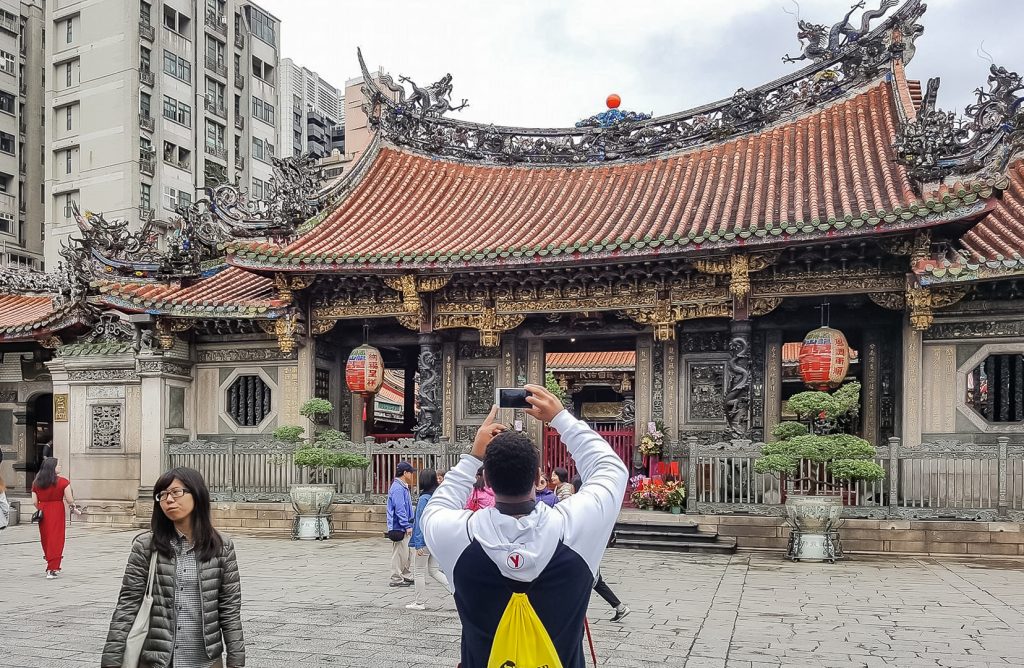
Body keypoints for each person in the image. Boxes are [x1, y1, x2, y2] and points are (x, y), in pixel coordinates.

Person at [422, 384, 628, 668]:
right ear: (537, 478)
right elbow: (612, 469)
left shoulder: (457, 536)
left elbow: (435, 507)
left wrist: (471, 458)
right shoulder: (576, 528)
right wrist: (560, 417)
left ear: (488, 481)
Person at [102, 467, 244, 668]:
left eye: (176, 492)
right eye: (162, 495)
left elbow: (229, 610)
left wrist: (236, 662)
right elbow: (127, 606)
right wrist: (111, 662)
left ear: (197, 494)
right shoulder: (146, 546)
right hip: (158, 660)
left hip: (205, 661)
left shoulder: (222, 547)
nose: (169, 500)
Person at [572, 466, 631, 622]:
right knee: (595, 581)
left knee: (593, 580)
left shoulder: (582, 506)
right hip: (590, 548)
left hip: (586, 550)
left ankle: (618, 607)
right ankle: (619, 607)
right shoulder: (596, 503)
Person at [406, 469, 450, 611]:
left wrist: (418, 544)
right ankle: (456, 591)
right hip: (435, 539)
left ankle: (419, 602)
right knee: (434, 571)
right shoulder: (438, 496)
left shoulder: (424, 498)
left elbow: (420, 522)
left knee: (418, 571)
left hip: (424, 540)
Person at [31, 457, 81, 578]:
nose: (60, 467)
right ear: (52, 468)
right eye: (58, 465)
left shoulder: (36, 482)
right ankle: (52, 568)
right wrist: (74, 507)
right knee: (57, 538)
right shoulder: (63, 482)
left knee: (46, 538)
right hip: (57, 510)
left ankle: (50, 562)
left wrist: (42, 506)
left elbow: (34, 501)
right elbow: (69, 499)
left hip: (43, 511)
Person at [387, 461, 416, 587]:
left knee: (407, 552)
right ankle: (396, 578)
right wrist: (406, 525)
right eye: (410, 473)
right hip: (398, 525)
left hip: (403, 524)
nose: (412, 475)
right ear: (405, 473)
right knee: (399, 553)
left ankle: (405, 574)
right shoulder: (398, 488)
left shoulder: (401, 486)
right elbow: (400, 509)